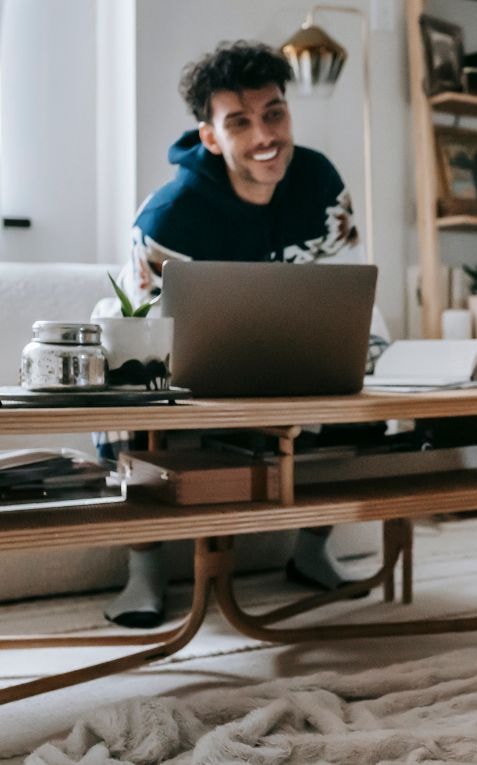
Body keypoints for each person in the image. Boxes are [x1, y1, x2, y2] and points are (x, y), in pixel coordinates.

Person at [96, 40, 374, 629]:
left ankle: (311, 552)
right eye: (240, 122)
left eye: (274, 113)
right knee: (121, 401)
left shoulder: (321, 184)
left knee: (366, 388)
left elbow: (348, 288)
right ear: (211, 137)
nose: (264, 135)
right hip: (187, 387)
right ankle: (143, 570)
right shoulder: (169, 216)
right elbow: (138, 333)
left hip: (297, 370)